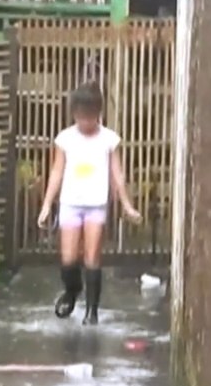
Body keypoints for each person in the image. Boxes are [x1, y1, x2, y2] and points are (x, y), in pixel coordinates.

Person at [37, 83, 143, 325]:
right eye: (81, 117)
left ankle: (92, 311)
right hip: (71, 203)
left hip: (96, 204)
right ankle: (72, 291)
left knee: (93, 256)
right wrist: (46, 205)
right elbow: (56, 172)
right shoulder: (65, 139)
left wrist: (127, 205)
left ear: (98, 113)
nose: (85, 122)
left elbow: (117, 174)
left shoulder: (109, 139)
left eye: (90, 117)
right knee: (68, 258)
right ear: (74, 113)